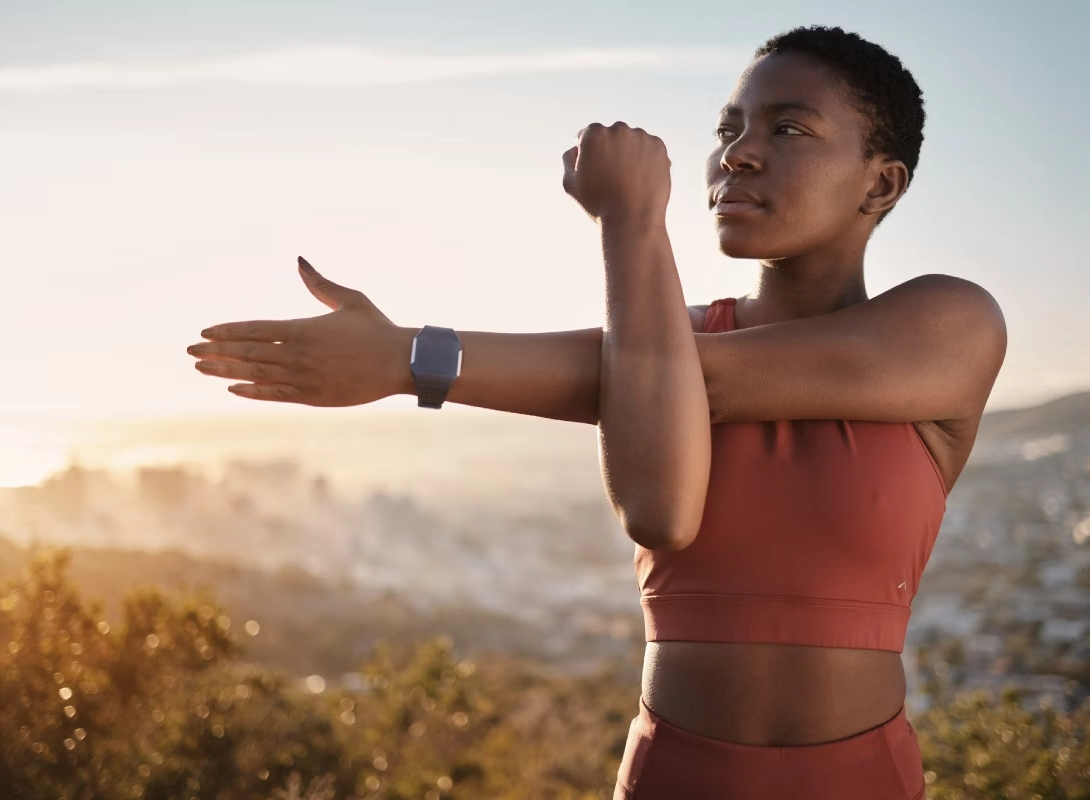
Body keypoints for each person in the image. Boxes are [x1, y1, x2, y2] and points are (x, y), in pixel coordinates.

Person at [187, 25, 1006, 800]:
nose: (738, 154)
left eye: (788, 130)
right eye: (730, 128)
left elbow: (687, 387)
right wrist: (405, 354)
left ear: (882, 181)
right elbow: (661, 507)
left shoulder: (950, 326)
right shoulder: (655, 346)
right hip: (672, 773)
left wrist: (625, 221)